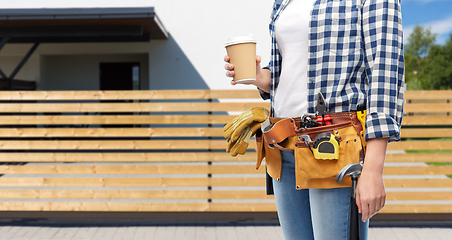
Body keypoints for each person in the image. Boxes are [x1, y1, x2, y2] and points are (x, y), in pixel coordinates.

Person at [224, 0, 405, 239]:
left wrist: (373, 169)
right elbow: (289, 72)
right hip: (284, 147)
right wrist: (259, 76)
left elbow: (385, 72)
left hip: (334, 148)